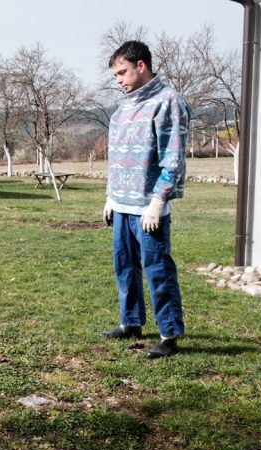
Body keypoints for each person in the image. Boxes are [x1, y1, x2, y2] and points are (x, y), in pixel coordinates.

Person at [100, 40, 190, 358]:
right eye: (115, 75)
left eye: (122, 72)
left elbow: (173, 158)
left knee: (157, 269)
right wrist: (111, 196)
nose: (119, 79)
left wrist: (158, 201)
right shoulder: (123, 108)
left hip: (148, 208)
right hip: (122, 206)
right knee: (124, 267)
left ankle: (168, 334)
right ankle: (131, 322)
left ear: (142, 66)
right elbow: (117, 158)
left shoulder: (168, 102)